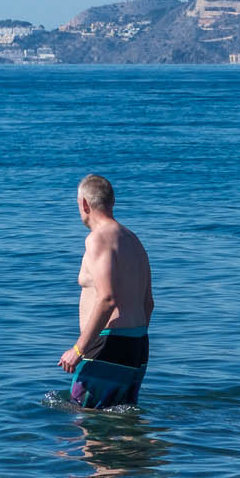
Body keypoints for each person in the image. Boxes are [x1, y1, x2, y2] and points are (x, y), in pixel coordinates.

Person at [56, 175, 155, 408]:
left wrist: (78, 349)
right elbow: (148, 303)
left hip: (107, 347)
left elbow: (107, 299)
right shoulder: (133, 240)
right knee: (126, 433)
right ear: (113, 201)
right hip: (138, 346)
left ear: (84, 204)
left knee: (87, 426)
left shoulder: (98, 239)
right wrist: (131, 342)